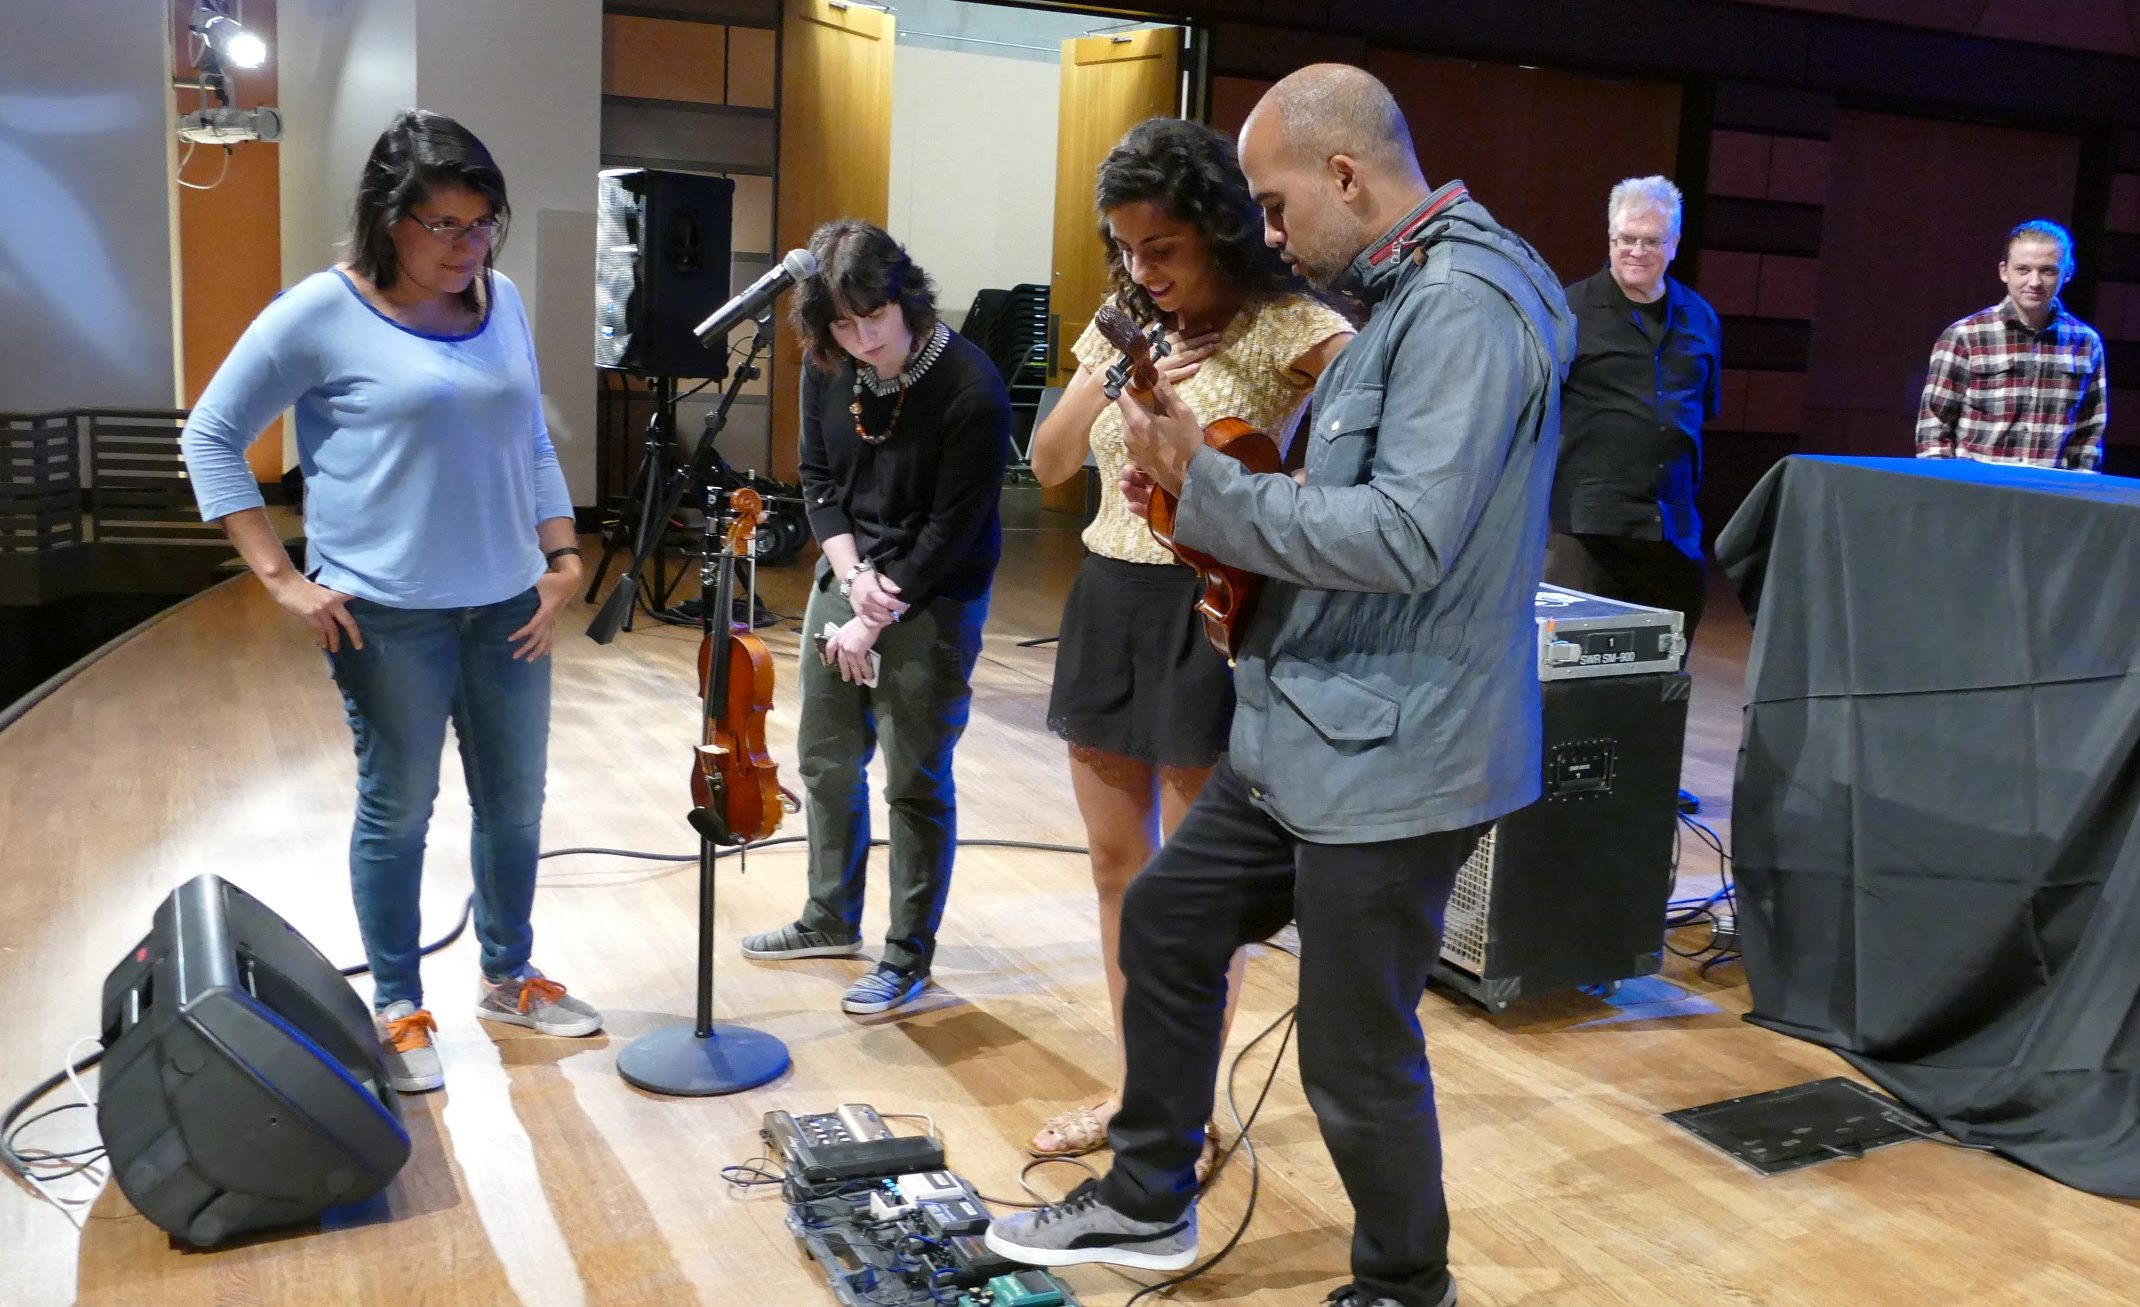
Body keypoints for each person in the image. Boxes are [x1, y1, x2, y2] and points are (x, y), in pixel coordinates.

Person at [985, 65, 1574, 1307]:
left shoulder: (1461, 305)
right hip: (1317, 723)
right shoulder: (1414, 288)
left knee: (1356, 1050)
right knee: (1168, 916)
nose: (1267, 230)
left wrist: (1208, 485)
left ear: (1345, 175)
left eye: (1273, 200)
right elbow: (1366, 507)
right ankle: (1149, 1197)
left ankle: (1406, 1281)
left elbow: (1409, 536)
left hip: (1400, 750)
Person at [178, 110, 601, 1096]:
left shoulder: (500, 302)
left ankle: (508, 972)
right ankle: (398, 1001)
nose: (468, 246)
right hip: (386, 615)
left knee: (515, 805)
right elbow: (212, 433)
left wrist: (563, 551)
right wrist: (280, 576)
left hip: (508, 607)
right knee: (399, 808)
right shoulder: (320, 311)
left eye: (481, 222)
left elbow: (528, 440)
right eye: (443, 225)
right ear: (390, 217)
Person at [1024, 117, 1352, 1176]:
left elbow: (1365, 466)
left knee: (1192, 890)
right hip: (1109, 599)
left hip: (1208, 606)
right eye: (1126, 247)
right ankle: (1137, 1087)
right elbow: (1046, 462)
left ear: (1217, 227)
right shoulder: (1125, 319)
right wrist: (1118, 368)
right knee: (1118, 867)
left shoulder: (1288, 324)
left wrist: (1263, 488)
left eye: (1161, 247)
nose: (1141, 268)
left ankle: (1193, 1104)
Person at [739, 221, 1011, 1017]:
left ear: (906, 299)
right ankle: (829, 916)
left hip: (934, 592)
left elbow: (950, 528)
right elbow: (818, 481)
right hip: (851, 574)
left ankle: (906, 956)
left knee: (915, 778)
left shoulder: (970, 384)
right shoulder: (832, 366)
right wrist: (851, 578)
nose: (863, 341)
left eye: (875, 319)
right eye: (844, 326)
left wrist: (873, 615)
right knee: (826, 759)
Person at [1547, 175, 1722, 639]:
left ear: (1675, 243)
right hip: (1585, 529)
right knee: (1572, 674)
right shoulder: (1567, 311)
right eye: (1626, 239)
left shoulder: (1701, 317)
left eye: (1651, 241)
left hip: (1671, 527)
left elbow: (1698, 413)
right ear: (1610, 238)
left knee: (1664, 671)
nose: (1636, 251)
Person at [1916, 218, 2108, 471]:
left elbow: (2089, 434)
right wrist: (1944, 491)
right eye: (2023, 269)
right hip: (1975, 492)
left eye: (2048, 270)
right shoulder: (1965, 335)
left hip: (2051, 497)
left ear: (2068, 272)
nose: (2035, 281)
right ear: (2004, 271)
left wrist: (2081, 494)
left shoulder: (2086, 343)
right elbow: (1934, 426)